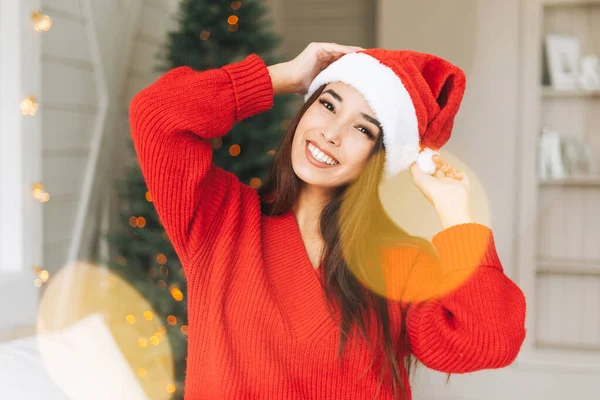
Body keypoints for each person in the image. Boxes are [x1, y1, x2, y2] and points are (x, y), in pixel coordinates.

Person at [129, 42, 526, 400]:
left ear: (380, 158)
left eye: (362, 128)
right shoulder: (222, 220)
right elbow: (157, 113)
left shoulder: (400, 263)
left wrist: (456, 213)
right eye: (328, 104)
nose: (330, 133)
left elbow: (488, 342)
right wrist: (284, 76)